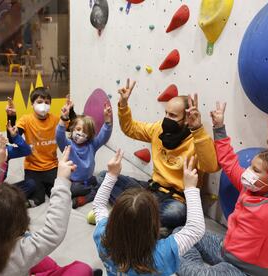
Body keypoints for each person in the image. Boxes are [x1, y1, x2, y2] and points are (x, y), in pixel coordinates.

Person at [177, 103, 268, 276]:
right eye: (251, 167)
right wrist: (219, 127)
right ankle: (205, 270)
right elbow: (228, 162)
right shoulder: (248, 187)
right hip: (223, 251)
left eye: (256, 171)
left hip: (244, 270)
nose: (248, 172)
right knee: (180, 234)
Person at [0, 133, 97, 275]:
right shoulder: (20, 252)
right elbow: (53, 232)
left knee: (44, 261)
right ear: (17, 224)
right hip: (16, 266)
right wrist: (62, 181)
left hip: (10, 264)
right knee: (82, 269)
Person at [97, 78, 219, 231]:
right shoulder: (158, 129)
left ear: (187, 119)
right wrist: (123, 104)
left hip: (176, 200)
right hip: (151, 190)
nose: (167, 119)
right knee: (103, 177)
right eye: (166, 113)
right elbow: (130, 128)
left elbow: (211, 166)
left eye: (173, 116)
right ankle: (145, 222)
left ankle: (134, 217)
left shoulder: (198, 139)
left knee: (176, 213)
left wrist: (198, 129)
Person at [93, 149, 205, 275]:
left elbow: (98, 206)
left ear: (113, 218)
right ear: (155, 223)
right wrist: (190, 188)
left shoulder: (101, 235)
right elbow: (196, 229)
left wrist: (111, 175)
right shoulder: (161, 254)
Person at [9, 87, 60, 206]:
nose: (43, 105)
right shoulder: (26, 120)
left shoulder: (55, 119)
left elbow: (72, 126)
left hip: (52, 166)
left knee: (58, 194)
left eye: (47, 103)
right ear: (32, 104)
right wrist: (11, 117)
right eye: (39, 102)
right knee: (38, 197)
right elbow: (13, 137)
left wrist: (70, 112)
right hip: (33, 167)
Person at [56, 100, 112, 208]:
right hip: (73, 184)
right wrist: (63, 119)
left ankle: (80, 199)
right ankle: (85, 196)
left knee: (103, 182)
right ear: (72, 129)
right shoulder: (68, 145)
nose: (80, 133)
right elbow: (59, 136)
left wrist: (108, 121)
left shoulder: (91, 145)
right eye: (78, 129)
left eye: (85, 131)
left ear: (90, 135)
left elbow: (103, 137)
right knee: (98, 189)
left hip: (88, 180)